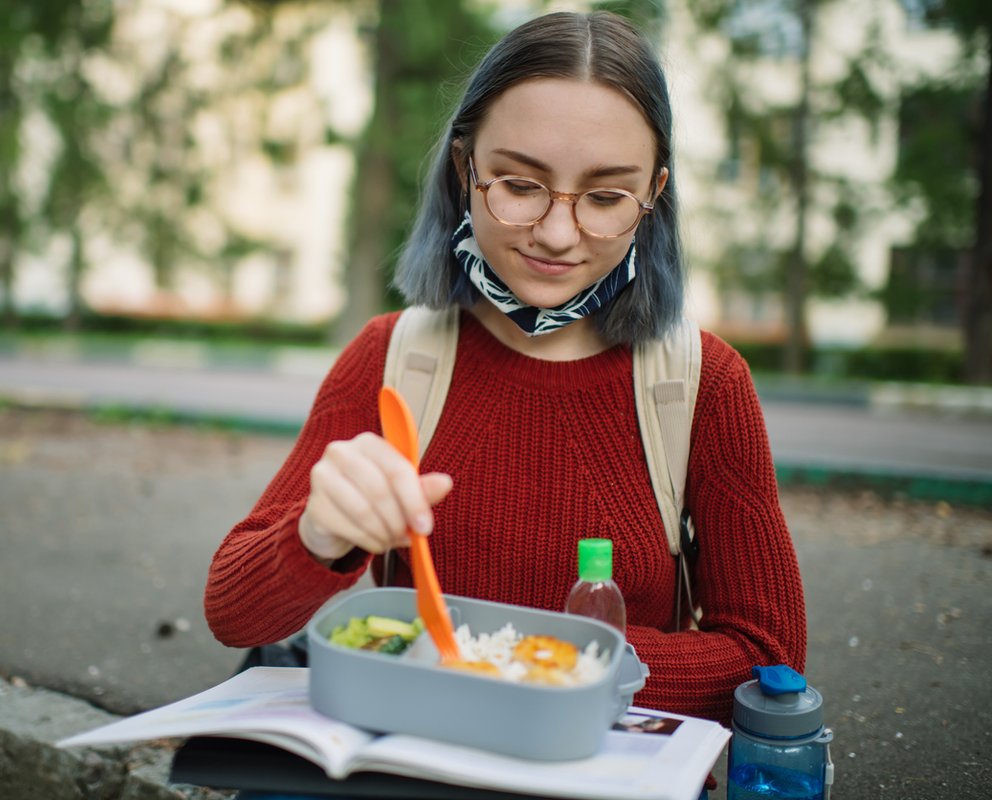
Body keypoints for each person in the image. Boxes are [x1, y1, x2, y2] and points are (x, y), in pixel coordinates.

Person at [205, 8, 806, 740]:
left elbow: (769, 662)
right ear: (466, 170)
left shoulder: (704, 383)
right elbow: (234, 614)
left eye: (607, 197)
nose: (557, 233)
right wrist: (315, 537)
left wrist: (542, 663)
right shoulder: (392, 359)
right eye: (520, 186)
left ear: (655, 197)